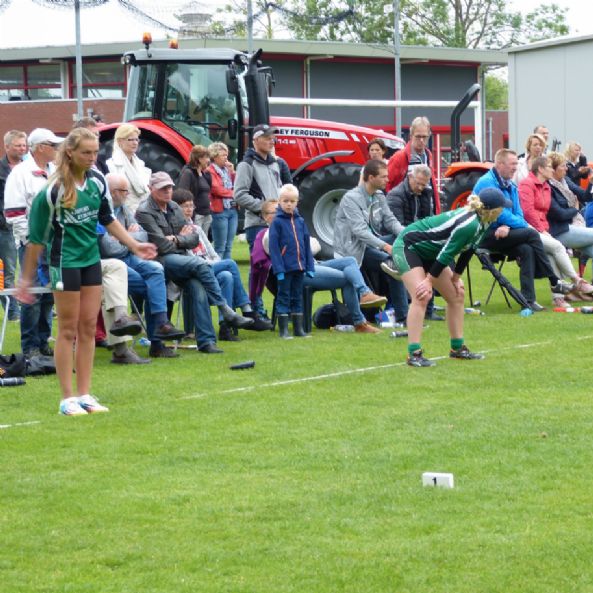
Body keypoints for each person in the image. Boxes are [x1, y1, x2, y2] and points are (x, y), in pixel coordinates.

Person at [16, 127, 157, 416]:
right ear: (70, 153)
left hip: (91, 261)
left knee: (88, 329)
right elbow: (36, 241)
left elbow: (107, 219)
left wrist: (134, 245)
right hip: (64, 263)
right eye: (86, 153)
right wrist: (26, 280)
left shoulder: (97, 181)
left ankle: (85, 394)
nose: (93, 157)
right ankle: (67, 399)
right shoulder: (52, 191)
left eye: (95, 152)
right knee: (68, 330)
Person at [387, 188, 510, 367]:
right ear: (491, 210)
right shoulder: (469, 224)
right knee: (422, 295)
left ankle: (457, 349)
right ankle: (414, 353)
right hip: (409, 247)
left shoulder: (484, 222)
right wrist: (428, 281)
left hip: (432, 253)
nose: (503, 211)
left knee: (457, 295)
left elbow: (469, 250)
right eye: (501, 208)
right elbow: (447, 253)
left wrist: (456, 278)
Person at [135, 171, 254, 354]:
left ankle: (206, 342)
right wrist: (180, 239)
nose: (167, 191)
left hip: (181, 259)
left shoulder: (174, 206)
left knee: (198, 287)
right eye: (162, 188)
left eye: (169, 187)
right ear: (151, 189)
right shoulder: (144, 211)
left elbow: (194, 238)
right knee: (202, 264)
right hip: (159, 261)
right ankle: (225, 309)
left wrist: (175, 239)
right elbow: (161, 246)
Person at [251, 199, 385, 335]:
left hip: (313, 264)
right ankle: (359, 322)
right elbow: (290, 254)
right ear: (266, 217)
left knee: (350, 261)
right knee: (348, 278)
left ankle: (365, 293)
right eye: (276, 211)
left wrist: (301, 248)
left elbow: (316, 245)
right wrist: (302, 248)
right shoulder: (268, 234)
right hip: (300, 272)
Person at [473, 148, 573, 311]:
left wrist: (508, 225)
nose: (515, 168)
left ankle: (528, 300)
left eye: (516, 164)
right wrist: (514, 224)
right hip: (484, 234)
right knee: (531, 233)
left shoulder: (511, 184)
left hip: (504, 231)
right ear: (500, 164)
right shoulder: (487, 182)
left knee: (526, 249)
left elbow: (518, 213)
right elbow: (498, 213)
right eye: (512, 164)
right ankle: (554, 280)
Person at [99, 173, 186, 359]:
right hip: (112, 263)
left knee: (156, 269)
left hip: (129, 257)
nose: (128, 194)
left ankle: (162, 324)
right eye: (124, 191)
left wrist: (121, 238)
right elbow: (108, 248)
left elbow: (143, 236)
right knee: (152, 288)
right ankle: (157, 342)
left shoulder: (124, 208)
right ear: (113, 192)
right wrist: (129, 238)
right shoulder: (102, 211)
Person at [171, 188, 271, 341]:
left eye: (191, 205)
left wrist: (212, 262)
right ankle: (247, 310)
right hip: (194, 270)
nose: (189, 209)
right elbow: (189, 258)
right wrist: (209, 263)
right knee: (230, 263)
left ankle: (225, 327)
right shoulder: (177, 231)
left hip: (208, 267)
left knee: (226, 276)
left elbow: (212, 253)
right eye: (185, 206)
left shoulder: (197, 228)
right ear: (176, 208)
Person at [4, 127, 63, 357]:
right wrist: (29, 240)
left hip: (55, 243)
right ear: (41, 148)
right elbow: (14, 212)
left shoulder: (56, 171)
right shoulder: (20, 174)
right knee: (32, 294)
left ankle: (43, 340)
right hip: (33, 243)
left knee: (50, 292)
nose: (57, 149)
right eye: (53, 145)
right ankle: (30, 346)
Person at [334, 159, 408, 324]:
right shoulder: (351, 198)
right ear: (371, 178)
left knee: (404, 244)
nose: (387, 180)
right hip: (353, 249)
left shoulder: (379, 196)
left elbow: (390, 220)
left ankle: (403, 310)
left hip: (371, 244)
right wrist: (385, 246)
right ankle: (403, 316)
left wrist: (408, 234)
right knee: (393, 264)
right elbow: (360, 231)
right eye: (383, 177)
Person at [234, 123, 291, 318]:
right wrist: (265, 207)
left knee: (281, 268)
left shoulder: (276, 163)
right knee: (259, 269)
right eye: (267, 137)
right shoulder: (246, 164)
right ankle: (255, 310)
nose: (271, 141)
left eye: (273, 137)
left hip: (278, 224)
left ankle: (283, 308)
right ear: (255, 140)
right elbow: (239, 194)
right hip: (257, 224)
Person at [518, 155, 593, 306]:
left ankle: (560, 297)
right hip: (551, 230)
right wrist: (574, 209)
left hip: (551, 229)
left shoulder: (550, 185)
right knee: (557, 247)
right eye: (561, 166)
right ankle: (577, 282)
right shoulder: (534, 185)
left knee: (555, 252)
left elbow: (584, 196)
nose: (566, 169)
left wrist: (590, 184)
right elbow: (531, 212)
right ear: (541, 169)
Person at [385, 164, 444, 321]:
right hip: (398, 239)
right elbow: (396, 226)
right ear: (410, 177)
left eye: (424, 184)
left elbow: (429, 221)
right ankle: (420, 308)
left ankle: (429, 308)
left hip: (417, 237)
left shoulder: (426, 193)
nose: (420, 187)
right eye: (418, 183)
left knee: (434, 254)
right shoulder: (395, 195)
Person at [267, 184, 315, 338]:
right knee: (283, 297)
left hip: (299, 267)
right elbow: (274, 248)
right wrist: (279, 269)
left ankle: (298, 329)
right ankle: (283, 331)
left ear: (297, 202)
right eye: (285, 201)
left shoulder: (300, 221)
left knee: (297, 296)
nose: (289, 204)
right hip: (285, 269)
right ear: (280, 201)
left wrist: (310, 266)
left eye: (292, 201)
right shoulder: (277, 222)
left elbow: (306, 245)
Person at [386, 116, 440, 213]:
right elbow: (386, 184)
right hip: (405, 212)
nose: (421, 140)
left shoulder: (428, 155)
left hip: (425, 210)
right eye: (418, 136)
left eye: (424, 137)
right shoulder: (399, 157)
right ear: (411, 136)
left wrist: (436, 209)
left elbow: (431, 184)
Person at [0, 129, 27, 322]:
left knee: (30, 269)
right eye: (18, 145)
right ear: (7, 147)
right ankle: (13, 312)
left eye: (24, 145)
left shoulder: (29, 169)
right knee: (8, 271)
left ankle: (33, 306)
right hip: (5, 228)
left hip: (27, 226)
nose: (22, 148)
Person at [106, 123, 150, 213]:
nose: (135, 143)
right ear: (120, 141)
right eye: (130, 139)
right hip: (122, 212)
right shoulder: (110, 165)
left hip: (143, 211)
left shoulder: (140, 164)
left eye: (137, 139)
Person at [207, 142, 238, 260]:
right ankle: (218, 268)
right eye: (223, 155)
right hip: (220, 211)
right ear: (214, 157)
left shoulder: (227, 170)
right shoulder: (210, 170)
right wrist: (233, 194)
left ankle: (227, 268)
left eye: (226, 155)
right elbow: (216, 189)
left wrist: (233, 172)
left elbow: (237, 186)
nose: (226, 158)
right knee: (220, 247)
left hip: (232, 209)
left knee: (229, 246)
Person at [177, 144, 212, 234]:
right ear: (199, 159)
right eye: (207, 157)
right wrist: (190, 211)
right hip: (196, 215)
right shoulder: (188, 173)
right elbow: (183, 194)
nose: (209, 160)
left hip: (206, 214)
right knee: (196, 238)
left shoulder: (204, 174)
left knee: (204, 240)